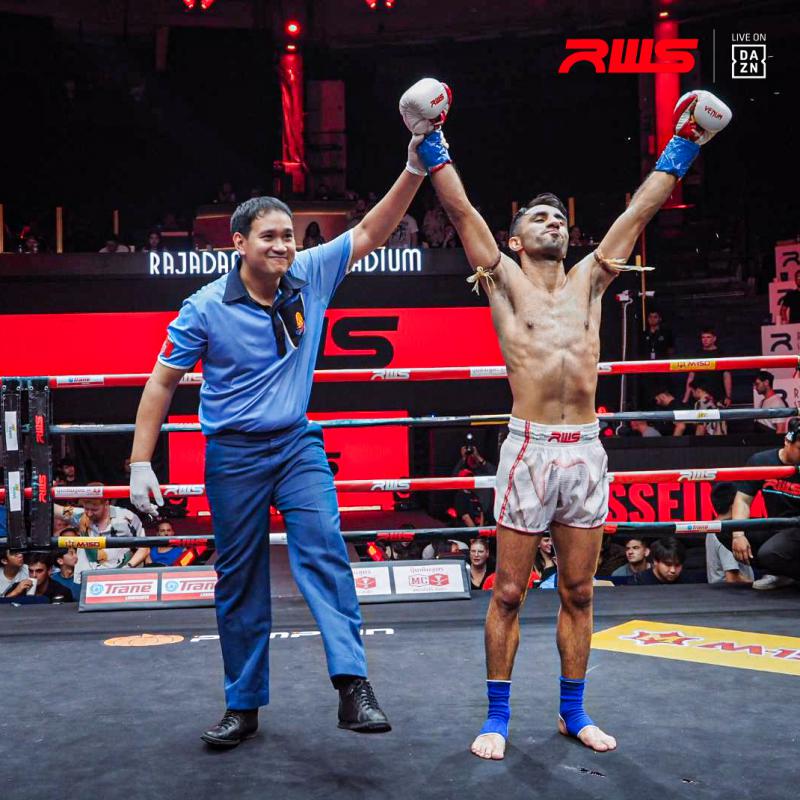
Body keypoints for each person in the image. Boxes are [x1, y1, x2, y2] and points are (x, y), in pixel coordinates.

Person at [401, 76, 730, 756]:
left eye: (559, 218)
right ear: (516, 239)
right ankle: (497, 718)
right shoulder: (502, 279)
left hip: (584, 447)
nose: (553, 223)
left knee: (580, 590)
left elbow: (638, 213)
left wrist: (686, 143)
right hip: (528, 447)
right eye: (539, 219)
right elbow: (460, 210)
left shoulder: (590, 280)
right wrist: (429, 141)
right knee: (510, 591)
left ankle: (572, 712)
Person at [127, 88, 435, 748]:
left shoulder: (311, 274)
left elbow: (373, 230)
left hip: (296, 445)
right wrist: (138, 462)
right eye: (268, 236)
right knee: (238, 581)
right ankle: (243, 706)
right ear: (238, 243)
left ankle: (353, 685)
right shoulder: (204, 306)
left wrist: (414, 165)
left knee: (325, 550)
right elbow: (161, 382)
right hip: (232, 455)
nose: (282, 245)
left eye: (289, 236)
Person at [718, 417, 800, 590]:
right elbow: (743, 499)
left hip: (797, 527)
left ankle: (783, 571)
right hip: (776, 525)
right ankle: (781, 574)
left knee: (769, 553)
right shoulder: (761, 461)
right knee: (724, 529)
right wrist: (738, 535)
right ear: (787, 442)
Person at [53, 488, 149, 582]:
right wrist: (44, 489)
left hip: (123, 578)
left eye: (94, 509)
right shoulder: (81, 516)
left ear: (106, 504)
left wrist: (127, 567)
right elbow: (55, 509)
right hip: (91, 579)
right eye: (86, 508)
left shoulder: (127, 517)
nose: (89, 513)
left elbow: (144, 548)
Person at [705, 483, 754, 585]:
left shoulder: (714, 527)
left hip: (723, 592)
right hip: (733, 593)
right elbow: (732, 578)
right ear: (734, 505)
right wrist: (758, 585)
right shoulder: (726, 531)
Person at [682, 328, 732, 408]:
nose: (705, 340)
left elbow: (726, 376)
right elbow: (691, 376)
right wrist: (685, 399)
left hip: (717, 394)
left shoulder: (721, 354)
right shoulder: (697, 354)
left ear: (714, 339)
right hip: (699, 394)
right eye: (703, 337)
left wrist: (728, 396)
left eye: (708, 337)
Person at [625, 537, 705, 584]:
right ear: (655, 561)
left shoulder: (689, 581)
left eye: (677, 565)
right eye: (668, 564)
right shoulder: (638, 582)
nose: (673, 570)